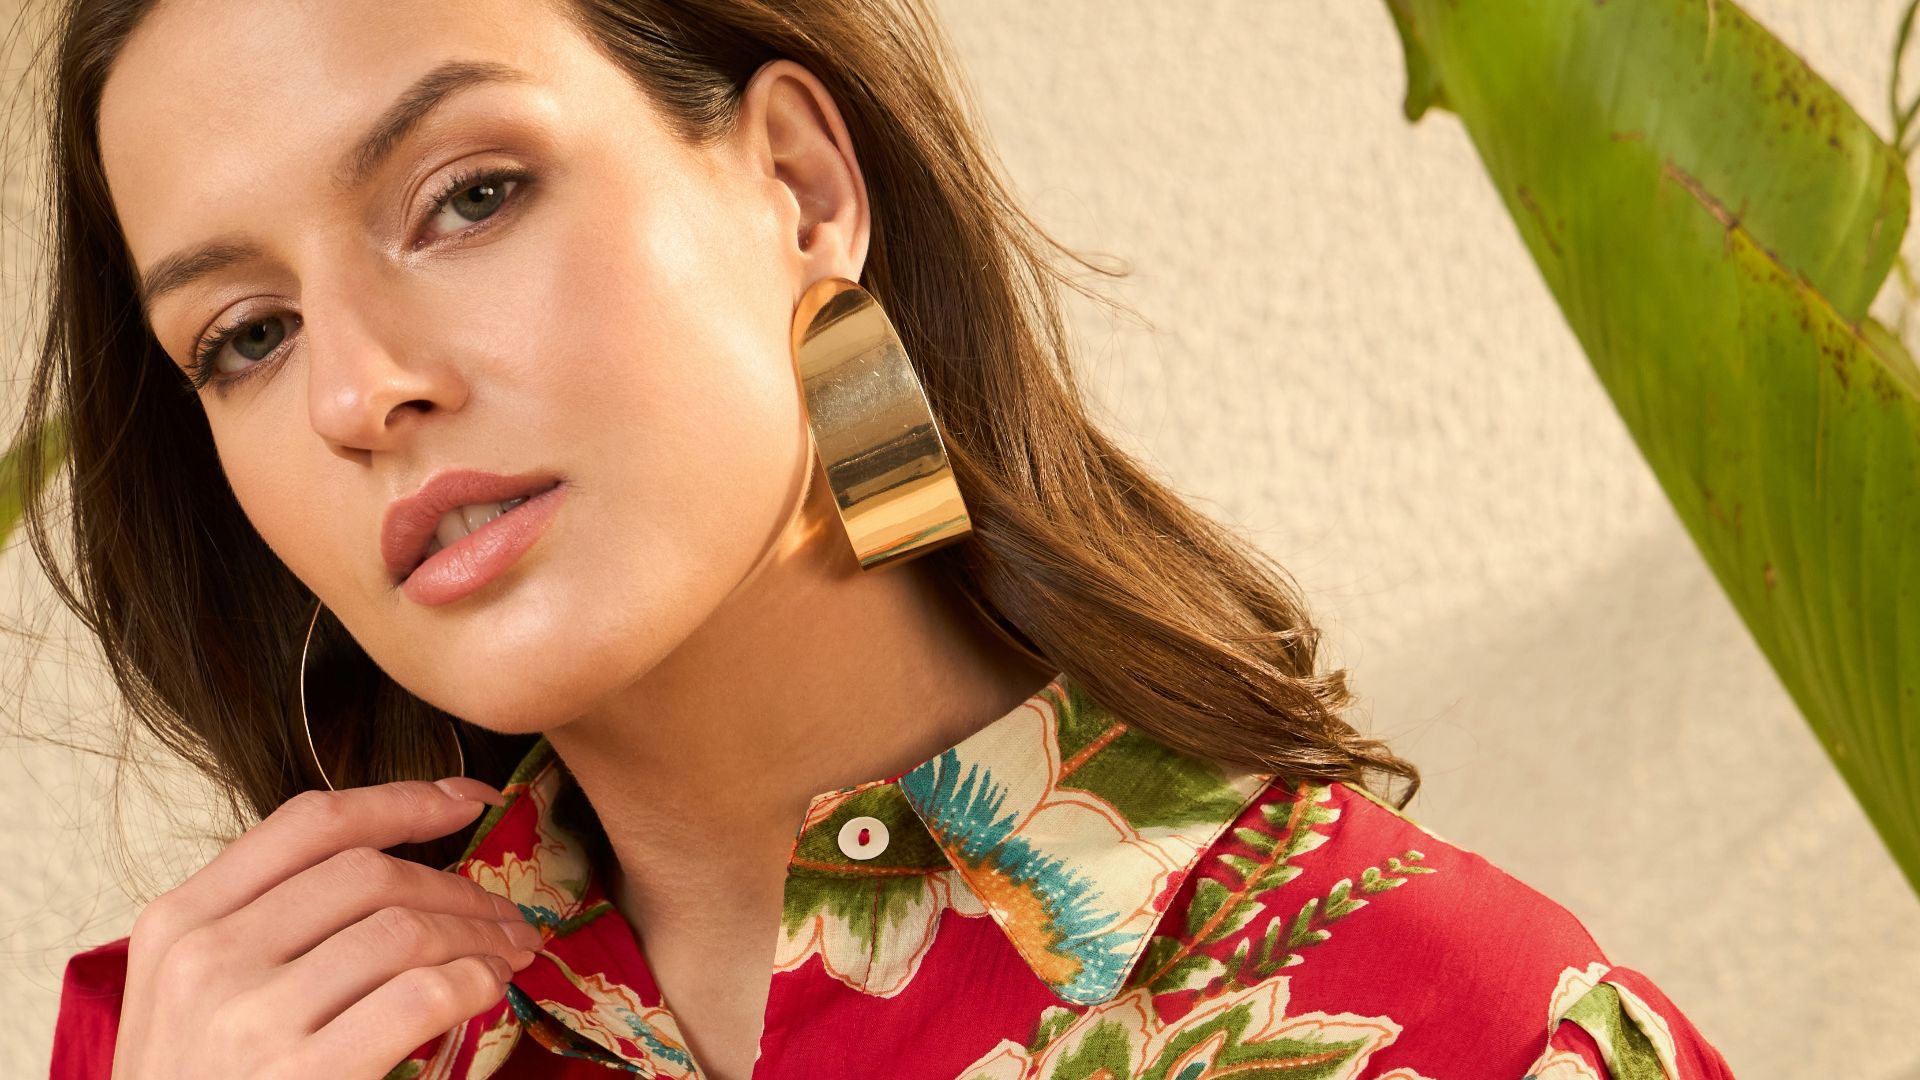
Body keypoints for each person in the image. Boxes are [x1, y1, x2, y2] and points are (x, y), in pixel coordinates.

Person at [23, 0, 1737, 1077]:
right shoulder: (209, 1045)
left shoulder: (1457, 1029)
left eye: (469, 196)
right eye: (244, 334)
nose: (358, 391)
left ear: (798, 183)